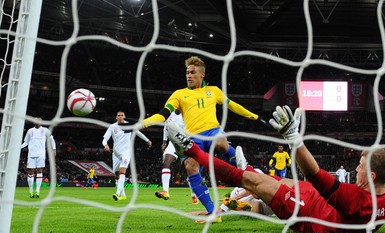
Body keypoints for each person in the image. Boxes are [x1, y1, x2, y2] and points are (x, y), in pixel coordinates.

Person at [167, 104, 385, 233]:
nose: (356, 169)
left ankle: (191, 150)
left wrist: (293, 138)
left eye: (360, 167)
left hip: (309, 215)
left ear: (370, 176)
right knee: (261, 198)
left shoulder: (355, 199)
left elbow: (314, 174)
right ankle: (242, 179)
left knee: (252, 181)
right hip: (316, 201)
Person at [142, 56, 266, 220]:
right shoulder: (179, 94)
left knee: (220, 141)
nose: (189, 75)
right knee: (190, 167)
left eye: (192, 72)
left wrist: (255, 117)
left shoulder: (213, 91)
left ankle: (242, 167)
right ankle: (213, 212)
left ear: (202, 75)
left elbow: (232, 105)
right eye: (187, 72)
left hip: (212, 131)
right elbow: (163, 114)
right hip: (193, 138)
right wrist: (143, 124)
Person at [102, 111, 152, 201]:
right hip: (116, 154)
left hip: (126, 152)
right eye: (118, 115)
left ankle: (117, 193)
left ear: (124, 116)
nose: (120, 117)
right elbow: (105, 138)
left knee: (122, 172)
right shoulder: (112, 127)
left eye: (122, 115)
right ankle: (123, 195)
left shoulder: (129, 126)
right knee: (117, 174)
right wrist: (105, 145)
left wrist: (147, 140)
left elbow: (138, 133)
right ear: (116, 117)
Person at [155, 110, 198, 204]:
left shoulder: (187, 112)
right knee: (166, 163)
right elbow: (166, 127)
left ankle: (194, 195)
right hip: (173, 142)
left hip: (185, 141)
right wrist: (164, 141)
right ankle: (165, 191)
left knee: (190, 169)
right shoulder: (169, 114)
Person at [20, 117, 56, 198]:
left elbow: (51, 139)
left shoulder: (45, 130)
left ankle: (38, 190)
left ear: (41, 122)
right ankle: (30, 191)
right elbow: (26, 142)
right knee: (30, 172)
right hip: (31, 154)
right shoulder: (30, 131)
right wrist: (19, 147)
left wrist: (54, 149)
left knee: (40, 170)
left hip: (41, 154)